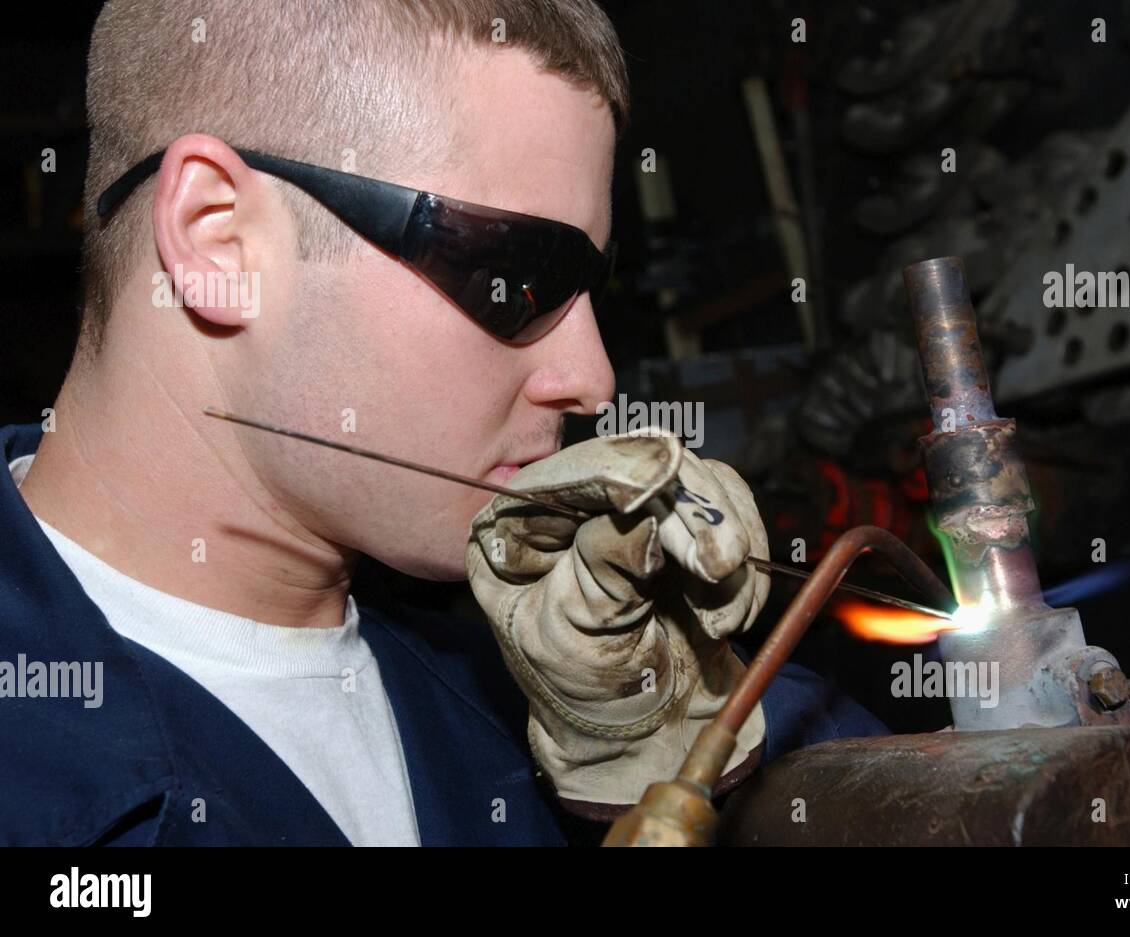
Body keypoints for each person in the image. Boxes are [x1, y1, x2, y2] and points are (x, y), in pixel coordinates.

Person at [0, 0, 886, 847]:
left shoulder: (522, 687)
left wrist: (660, 740)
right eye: (515, 277)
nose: (592, 379)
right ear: (218, 239)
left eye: (596, 287)